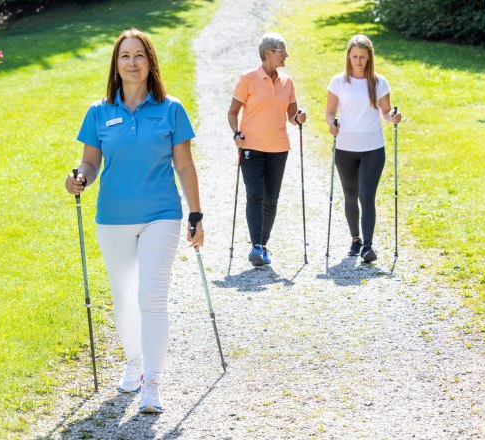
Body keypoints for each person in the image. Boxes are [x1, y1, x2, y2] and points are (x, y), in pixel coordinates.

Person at [64, 28, 203, 414]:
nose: (131, 62)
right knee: (124, 299)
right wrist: (78, 178)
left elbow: (185, 164)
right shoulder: (99, 112)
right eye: (124, 56)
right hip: (113, 218)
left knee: (152, 297)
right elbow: (90, 163)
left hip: (161, 214)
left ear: (150, 61)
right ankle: (135, 364)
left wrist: (196, 213)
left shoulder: (170, 108)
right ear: (116, 64)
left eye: (139, 55)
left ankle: (153, 384)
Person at [227, 33, 307, 267]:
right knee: (255, 194)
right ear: (268, 52)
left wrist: (299, 117)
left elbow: (292, 116)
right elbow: (232, 112)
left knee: (271, 198)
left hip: (279, 149)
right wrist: (236, 133)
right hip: (251, 147)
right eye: (282, 51)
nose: (286, 55)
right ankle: (256, 246)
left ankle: (262, 245)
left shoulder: (288, 82)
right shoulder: (248, 78)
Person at [325, 34, 402, 263]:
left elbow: (386, 113)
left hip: (372, 148)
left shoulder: (379, 82)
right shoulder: (338, 81)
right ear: (348, 56)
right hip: (345, 148)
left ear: (369, 58)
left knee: (366, 195)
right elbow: (329, 112)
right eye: (354, 56)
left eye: (362, 57)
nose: (358, 61)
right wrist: (332, 124)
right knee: (350, 195)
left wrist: (394, 117)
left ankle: (368, 246)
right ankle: (355, 239)